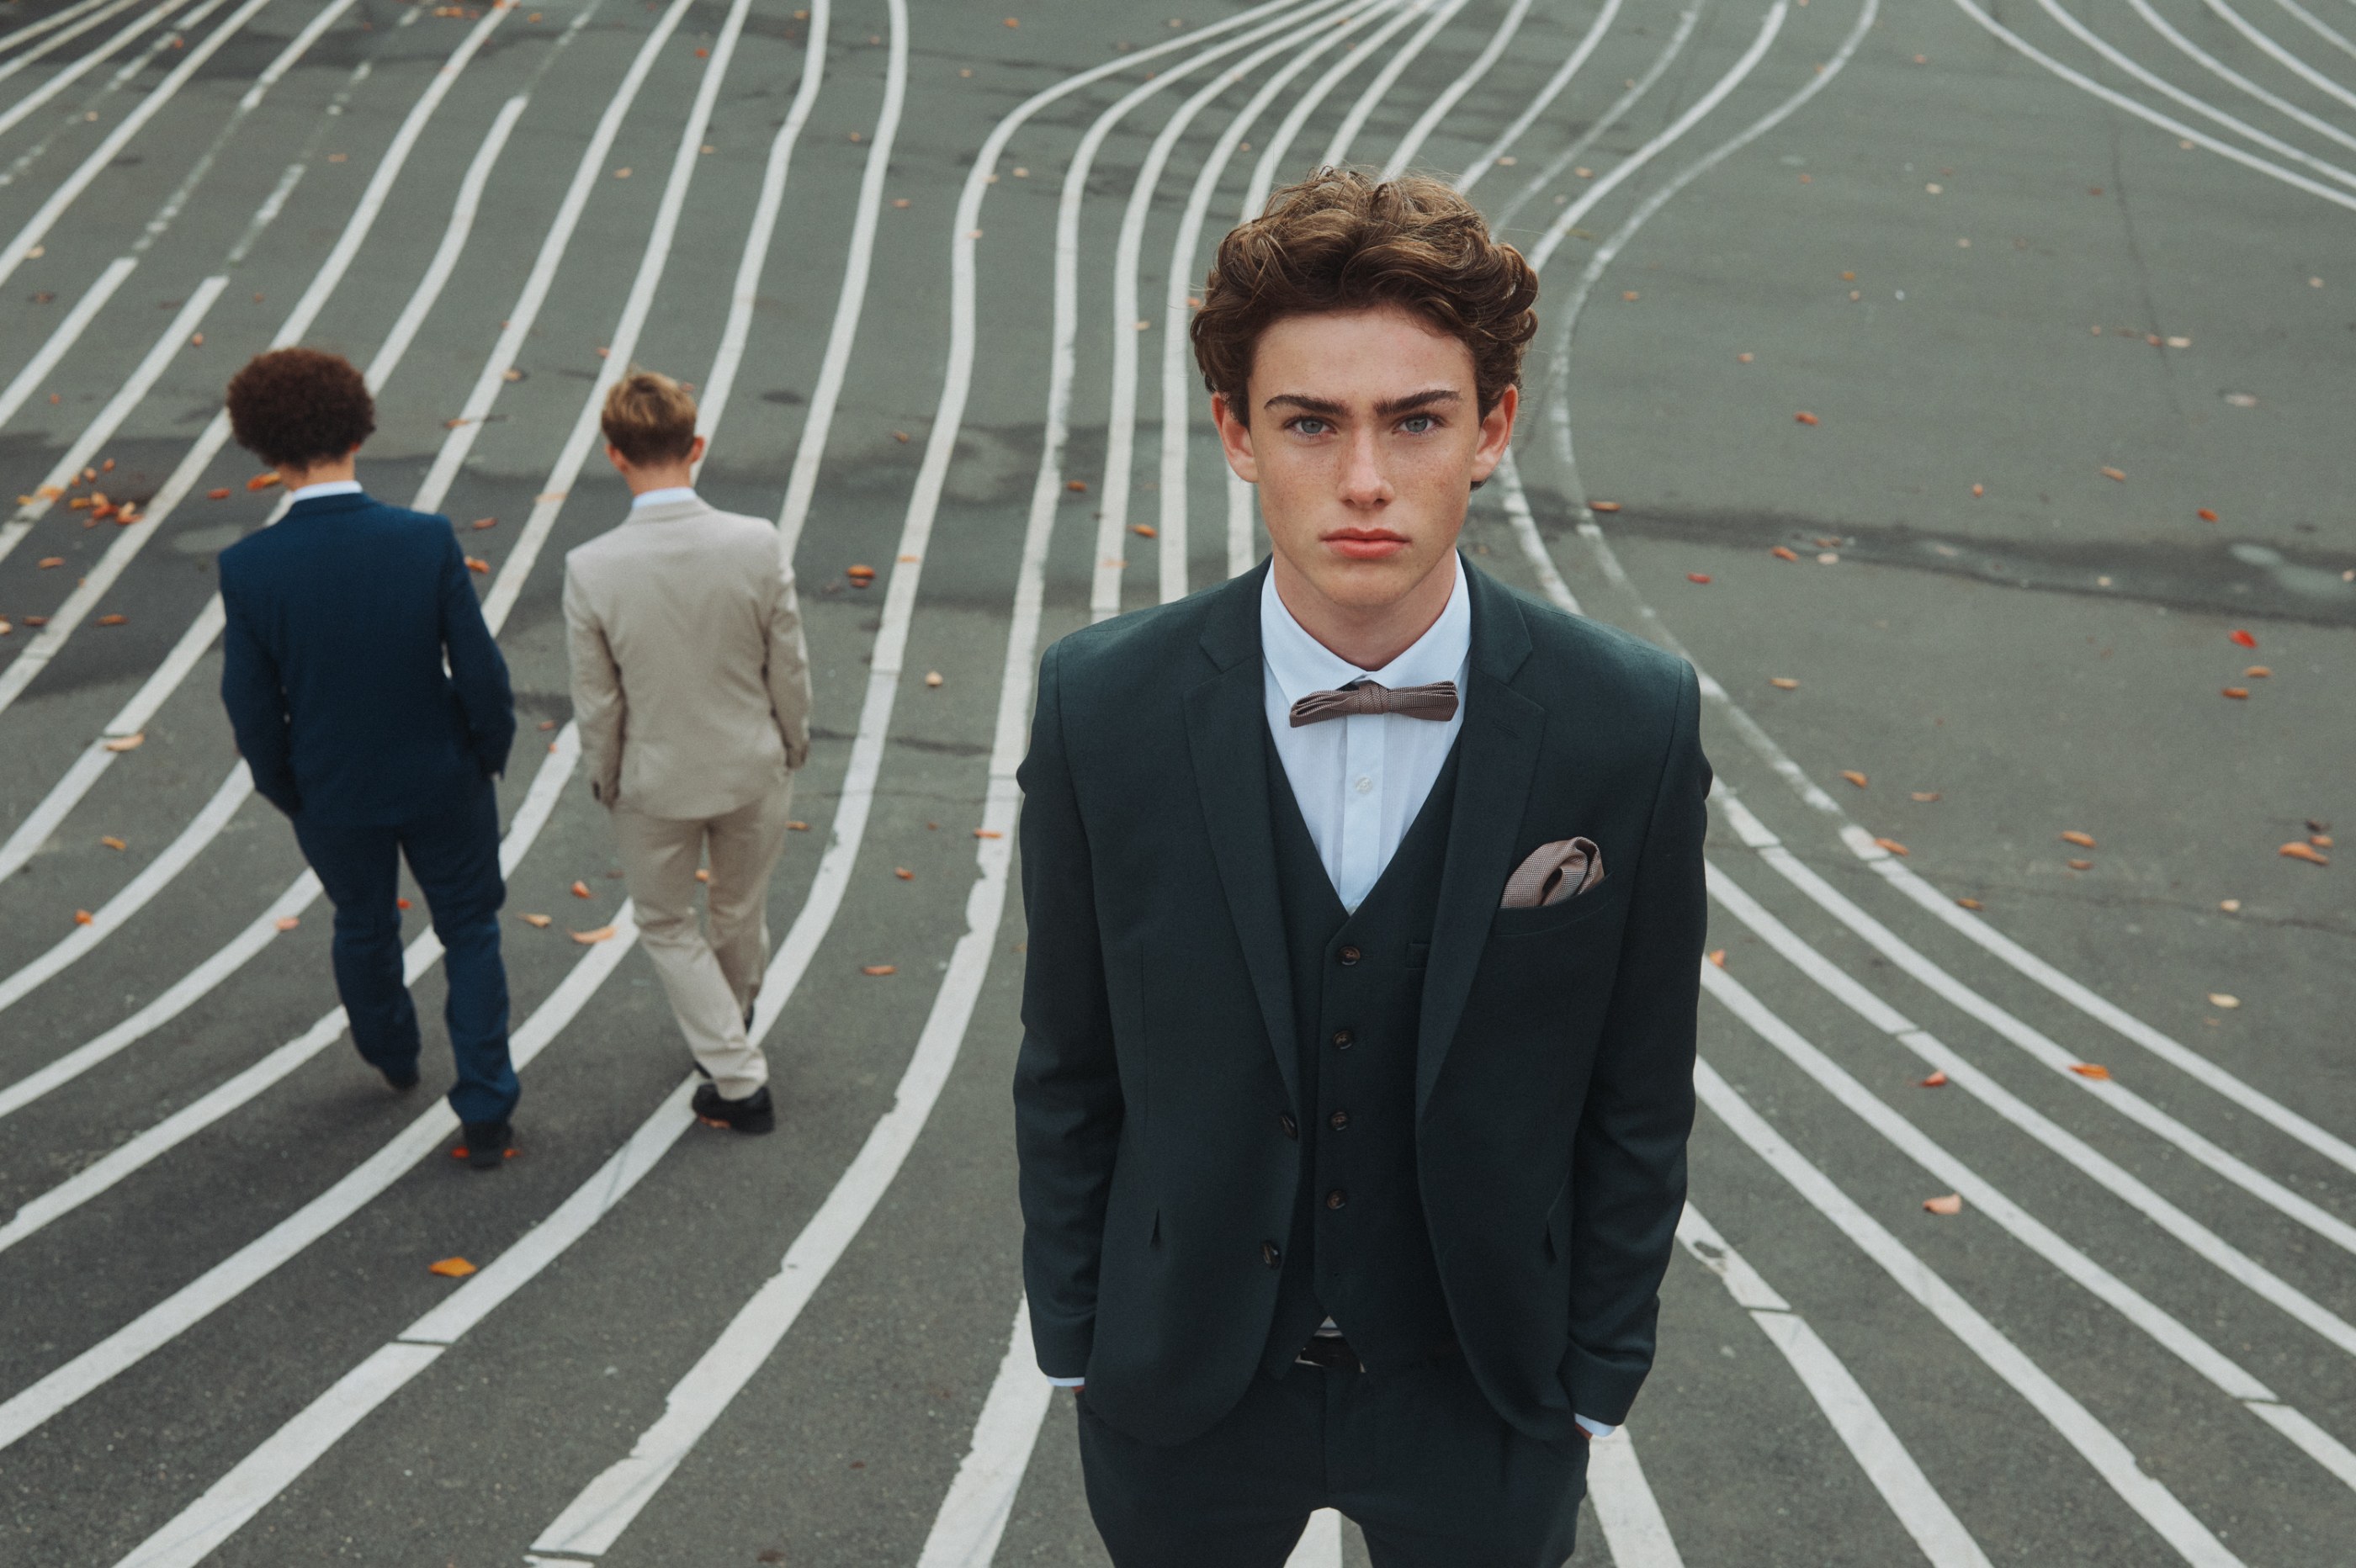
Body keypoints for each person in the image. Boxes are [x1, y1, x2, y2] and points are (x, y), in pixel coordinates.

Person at [1012, 170, 1711, 1565]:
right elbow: (1070, 1061)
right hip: (1185, 1391)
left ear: (1492, 428)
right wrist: (1081, 1336)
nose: (1368, 479)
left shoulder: (1626, 722)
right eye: (1311, 423)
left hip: (1485, 1393)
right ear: (1237, 433)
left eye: (1416, 419)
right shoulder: (1105, 705)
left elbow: (1638, 1087)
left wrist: (1595, 1371)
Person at [218, 347, 521, 1170]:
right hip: (441, 776)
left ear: (265, 450)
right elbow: (480, 669)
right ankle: (487, 1105)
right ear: (358, 427)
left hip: (334, 788)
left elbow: (249, 704)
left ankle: (391, 1050)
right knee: (470, 931)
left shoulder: (249, 569)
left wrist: (291, 788)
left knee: (362, 919)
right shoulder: (422, 540)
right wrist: (486, 750)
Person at [562, 370, 810, 1135]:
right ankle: (728, 1026)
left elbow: (599, 699)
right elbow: (788, 663)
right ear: (695, 445)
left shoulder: (591, 567)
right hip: (750, 766)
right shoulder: (756, 542)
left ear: (614, 454)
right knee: (738, 910)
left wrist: (605, 775)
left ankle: (735, 1074)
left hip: (655, 780)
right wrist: (792, 740)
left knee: (667, 923)